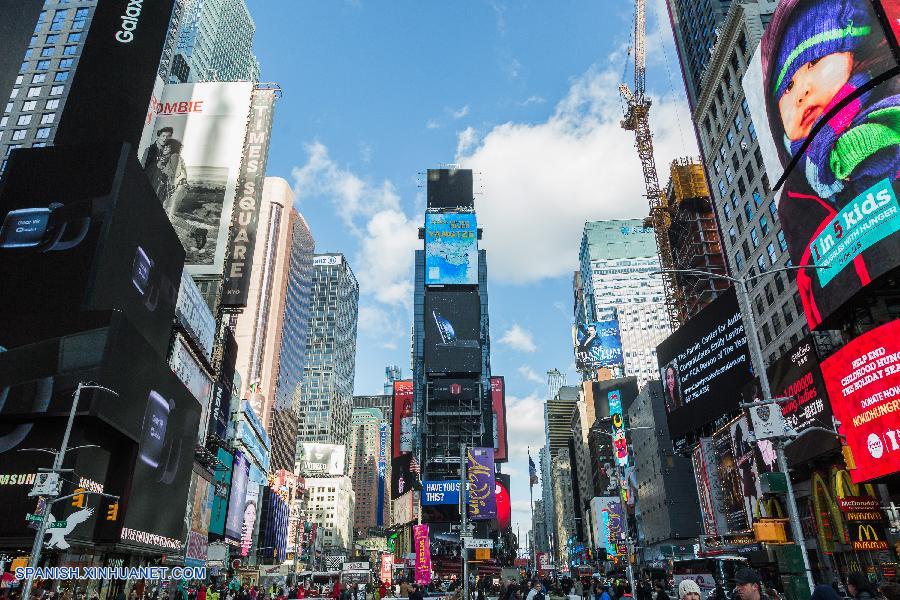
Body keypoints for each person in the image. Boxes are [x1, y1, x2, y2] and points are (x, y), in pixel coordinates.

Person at [758, 0, 900, 329]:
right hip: (859, 336)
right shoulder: (792, 205)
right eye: (787, 87)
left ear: (854, 51)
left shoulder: (890, 112)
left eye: (815, 59)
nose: (801, 92)